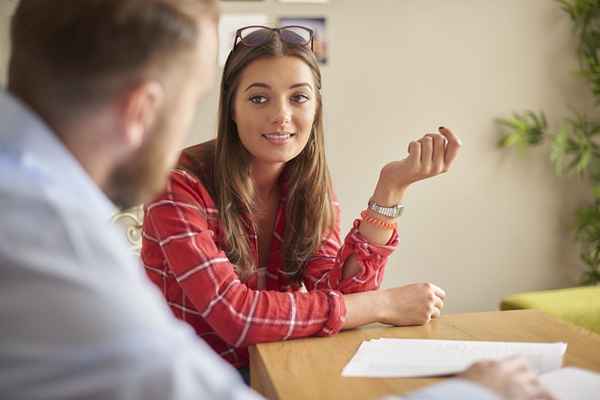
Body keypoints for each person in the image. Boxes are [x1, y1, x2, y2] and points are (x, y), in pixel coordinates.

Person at [0, 1, 553, 399]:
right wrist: (391, 316)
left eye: (298, 98)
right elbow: (235, 318)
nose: (281, 116)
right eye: (258, 98)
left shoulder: (307, 184)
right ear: (144, 110)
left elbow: (335, 294)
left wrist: (391, 191)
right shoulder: (77, 225)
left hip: (284, 369)